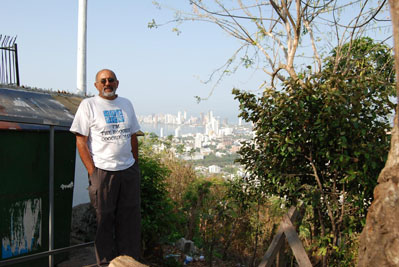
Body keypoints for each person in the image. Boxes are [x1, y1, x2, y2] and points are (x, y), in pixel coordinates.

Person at [70, 69, 141, 266]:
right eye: (103, 81)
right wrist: (93, 172)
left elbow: (133, 136)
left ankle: (129, 261)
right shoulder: (89, 105)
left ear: (117, 83)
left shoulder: (126, 104)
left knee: (129, 219)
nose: (107, 83)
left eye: (110, 80)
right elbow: (81, 141)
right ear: (96, 85)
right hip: (103, 172)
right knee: (104, 219)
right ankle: (106, 263)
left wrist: (134, 163)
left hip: (128, 171)